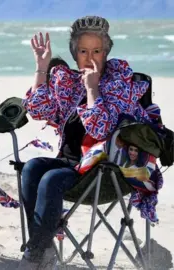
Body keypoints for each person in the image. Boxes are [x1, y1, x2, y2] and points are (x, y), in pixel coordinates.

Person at [19, 15, 153, 269]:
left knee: (51, 179)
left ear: (106, 52)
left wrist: (93, 91)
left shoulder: (119, 84)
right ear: (74, 54)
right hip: (70, 165)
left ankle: (33, 256)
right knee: (32, 167)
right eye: (83, 51)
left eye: (97, 51)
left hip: (105, 171)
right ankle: (43, 248)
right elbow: (38, 110)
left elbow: (100, 129)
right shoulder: (69, 83)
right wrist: (42, 66)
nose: (90, 58)